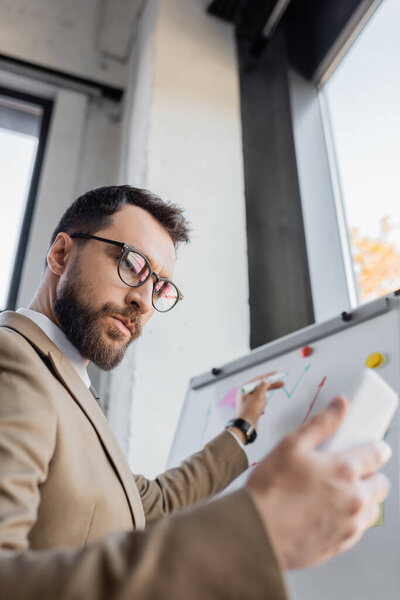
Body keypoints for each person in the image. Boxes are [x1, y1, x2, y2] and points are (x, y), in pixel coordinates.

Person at [0, 185, 390, 599]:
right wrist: (253, 537)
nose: (144, 302)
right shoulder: (13, 360)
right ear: (61, 254)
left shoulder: (66, 385)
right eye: (132, 265)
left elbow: (151, 504)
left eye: (159, 287)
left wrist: (241, 428)